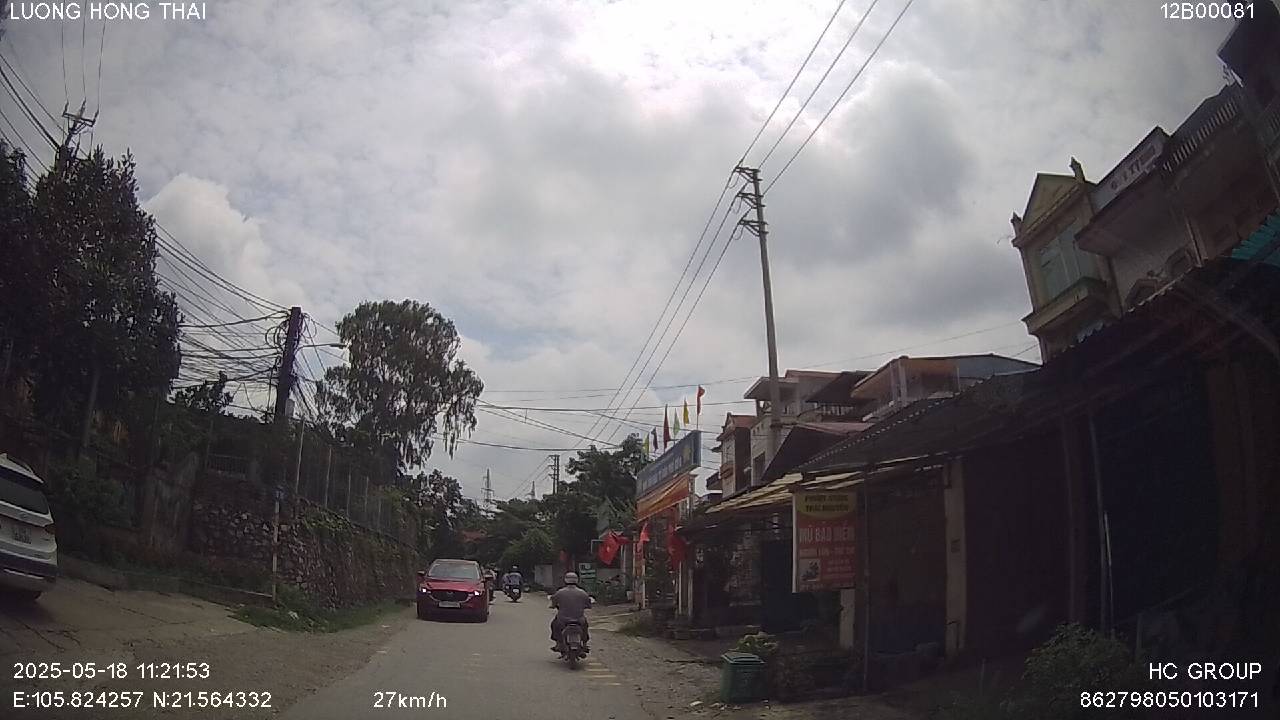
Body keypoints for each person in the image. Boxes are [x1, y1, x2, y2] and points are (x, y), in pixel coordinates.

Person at [549, 571, 593, 653]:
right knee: (585, 627)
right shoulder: (583, 593)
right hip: (579, 619)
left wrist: (553, 606)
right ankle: (585, 644)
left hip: (563, 619)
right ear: (577, 580)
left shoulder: (560, 592)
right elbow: (589, 605)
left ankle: (558, 643)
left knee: (554, 625)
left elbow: (553, 603)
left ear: (565, 580)